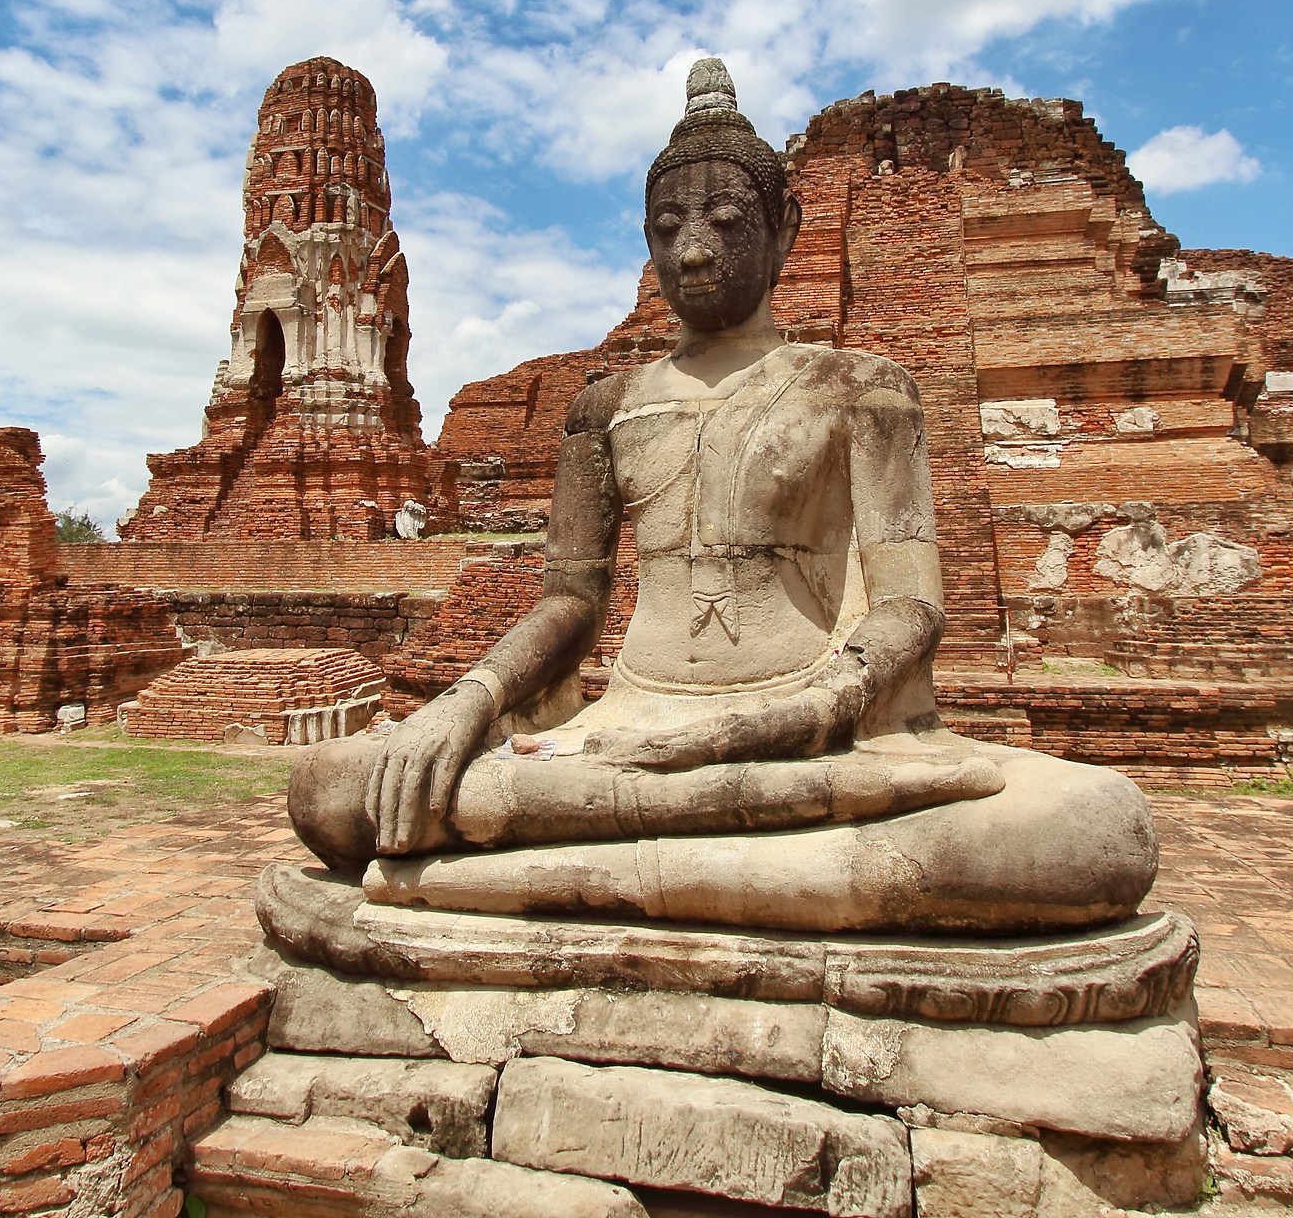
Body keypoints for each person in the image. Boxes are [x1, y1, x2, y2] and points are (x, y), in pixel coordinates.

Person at [289, 60, 1157, 935]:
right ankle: (743, 876)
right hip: (628, 731)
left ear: (786, 232)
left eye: (727, 221)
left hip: (807, 729)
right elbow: (568, 602)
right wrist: (467, 700)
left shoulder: (862, 387)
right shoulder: (606, 407)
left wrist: (803, 714)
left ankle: (548, 878)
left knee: (1090, 834)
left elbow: (910, 607)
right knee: (333, 794)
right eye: (667, 228)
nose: (693, 249)